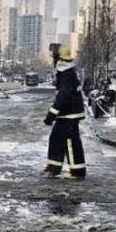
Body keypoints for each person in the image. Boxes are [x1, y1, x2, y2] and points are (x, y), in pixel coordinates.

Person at [41, 45, 86, 179]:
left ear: (58, 58)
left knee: (70, 142)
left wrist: (51, 115)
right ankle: (53, 167)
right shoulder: (66, 72)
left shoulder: (66, 74)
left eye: (54, 57)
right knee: (56, 139)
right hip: (67, 114)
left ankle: (77, 172)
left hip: (69, 114)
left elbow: (64, 96)